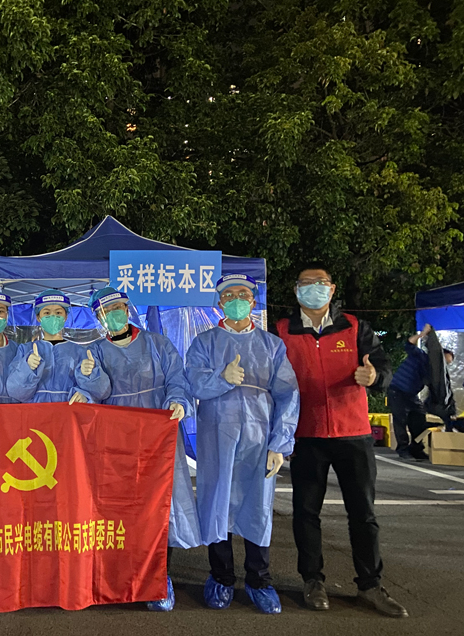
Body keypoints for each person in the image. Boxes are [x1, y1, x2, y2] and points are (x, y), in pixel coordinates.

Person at [276, 265, 408, 618]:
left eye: (320, 283)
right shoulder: (282, 331)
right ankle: (312, 581)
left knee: (363, 514)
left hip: (353, 434)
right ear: (296, 290)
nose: (314, 289)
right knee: (306, 513)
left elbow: (384, 368)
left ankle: (370, 585)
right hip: (307, 434)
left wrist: (374, 376)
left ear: (332, 289)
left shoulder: (354, 327)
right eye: (306, 284)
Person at [185, 274, 299, 614]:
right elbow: (193, 383)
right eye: (230, 295)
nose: (237, 300)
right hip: (217, 436)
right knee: (216, 502)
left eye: (244, 294)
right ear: (220, 302)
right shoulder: (204, 342)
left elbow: (288, 394)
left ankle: (258, 580)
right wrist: (221, 378)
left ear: (253, 301)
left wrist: (279, 443)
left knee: (258, 506)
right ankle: (221, 577)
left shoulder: (271, 345)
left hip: (259, 437)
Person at [88, 286, 199, 612]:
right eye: (107, 311)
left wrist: (177, 401)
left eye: (119, 308)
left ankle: (158, 579)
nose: (114, 314)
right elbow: (94, 393)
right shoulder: (95, 352)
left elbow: (178, 380)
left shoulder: (158, 344)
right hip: (116, 444)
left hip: (157, 441)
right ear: (98, 318)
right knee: (120, 512)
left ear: (128, 309)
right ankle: (120, 579)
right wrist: (86, 385)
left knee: (159, 509)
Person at [6, 290, 110, 404]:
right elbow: (15, 392)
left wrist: (87, 391)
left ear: (66, 316)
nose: (53, 317)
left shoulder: (80, 352)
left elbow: (102, 392)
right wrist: (27, 369)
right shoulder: (25, 350)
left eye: (58, 312)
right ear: (38, 317)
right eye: (46, 312)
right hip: (36, 411)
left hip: (68, 411)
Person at [388, 326, 432, 460]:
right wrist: (422, 334)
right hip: (397, 389)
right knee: (400, 419)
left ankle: (416, 448)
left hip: (411, 394)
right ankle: (402, 449)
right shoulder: (421, 355)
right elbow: (409, 343)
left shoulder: (433, 371)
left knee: (419, 416)